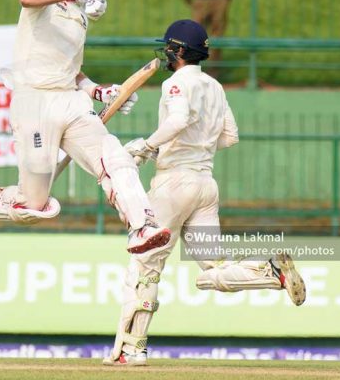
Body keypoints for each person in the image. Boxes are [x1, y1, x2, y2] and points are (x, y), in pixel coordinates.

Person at [102, 20, 307, 367]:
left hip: (174, 183)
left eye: (169, 47)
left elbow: (179, 120)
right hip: (205, 185)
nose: (166, 53)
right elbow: (229, 136)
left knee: (145, 263)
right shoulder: (215, 86)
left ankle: (131, 349)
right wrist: (197, 146)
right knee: (211, 268)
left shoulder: (175, 83)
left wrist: (147, 147)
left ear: (179, 50)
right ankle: (268, 271)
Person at [0, 0, 171, 256]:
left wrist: (97, 90)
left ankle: (142, 226)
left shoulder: (81, 14)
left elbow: (70, 68)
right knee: (36, 206)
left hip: (71, 102)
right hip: (33, 101)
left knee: (114, 157)